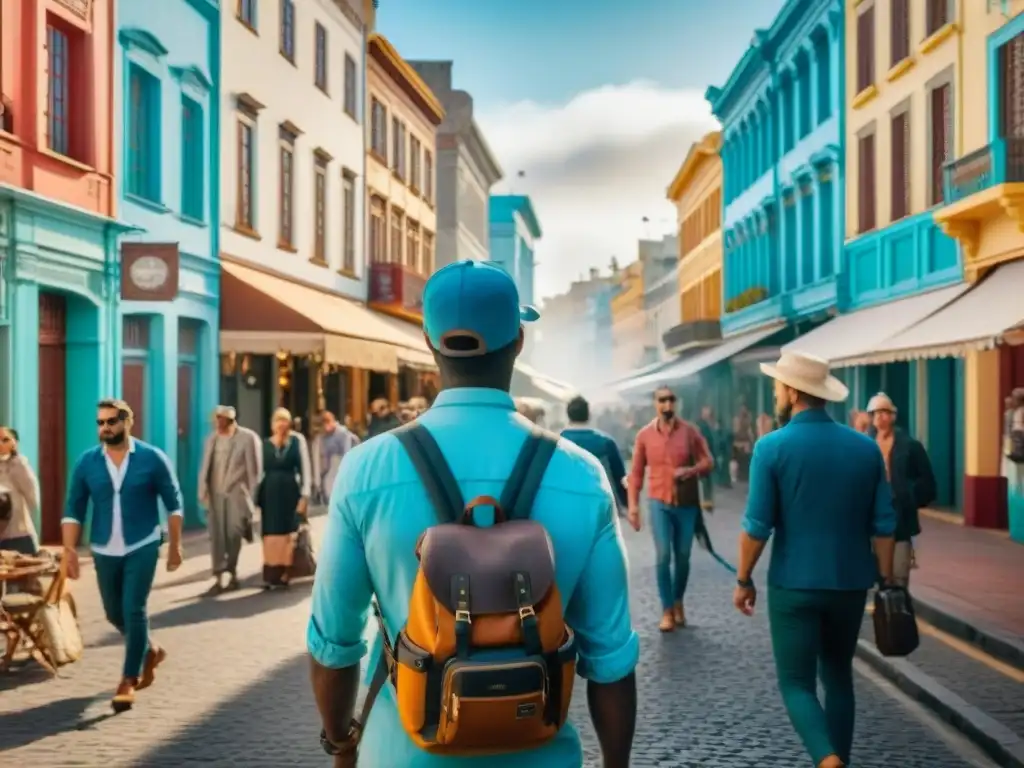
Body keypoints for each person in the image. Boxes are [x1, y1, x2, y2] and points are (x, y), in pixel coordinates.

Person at [308, 260, 639, 768]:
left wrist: (342, 742)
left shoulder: (365, 470)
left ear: (428, 341)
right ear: (519, 341)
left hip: (401, 755)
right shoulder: (582, 475)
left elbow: (335, 644)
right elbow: (611, 660)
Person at [733, 352, 896, 768]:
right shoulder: (865, 449)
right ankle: (838, 755)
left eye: (777, 385)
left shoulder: (771, 447)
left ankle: (826, 759)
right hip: (849, 582)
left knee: (796, 682)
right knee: (839, 675)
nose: (775, 391)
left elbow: (757, 526)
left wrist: (744, 578)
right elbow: (884, 525)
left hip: (794, 583)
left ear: (791, 391)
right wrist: (885, 579)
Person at [62, 399, 184, 712]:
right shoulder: (87, 462)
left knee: (133, 608)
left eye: (111, 422)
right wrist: (69, 551)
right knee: (113, 613)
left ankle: (128, 680)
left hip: (142, 544)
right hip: (104, 547)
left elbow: (174, 503)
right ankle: (149, 650)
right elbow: (73, 509)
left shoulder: (152, 458)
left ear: (127, 422)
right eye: (100, 422)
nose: (105, 428)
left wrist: (175, 545)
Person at [627, 387, 713, 632]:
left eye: (671, 399)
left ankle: (678, 602)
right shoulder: (644, 435)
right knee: (663, 555)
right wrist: (633, 506)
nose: (667, 404)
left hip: (686, 505)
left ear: (677, 403)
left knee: (683, 557)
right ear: (655, 404)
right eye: (662, 400)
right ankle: (666, 609)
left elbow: (708, 462)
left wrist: (690, 471)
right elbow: (635, 474)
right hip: (658, 503)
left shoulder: (690, 432)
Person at [866, 393, 936, 586]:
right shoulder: (865, 445)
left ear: (893, 416)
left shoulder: (910, 446)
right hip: (872, 519)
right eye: (876, 412)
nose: (881, 416)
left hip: (901, 520)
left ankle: (897, 612)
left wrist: (909, 497)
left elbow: (927, 482)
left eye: (885, 412)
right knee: (878, 576)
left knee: (898, 577)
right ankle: (882, 613)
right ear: (871, 417)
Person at [198, 405, 262, 595]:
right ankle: (218, 576)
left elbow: (255, 472)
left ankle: (232, 572)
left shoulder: (248, 438)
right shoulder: (212, 439)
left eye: (220, 420)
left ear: (230, 421)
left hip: (237, 494)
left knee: (234, 533)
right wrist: (202, 492)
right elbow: (205, 468)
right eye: (215, 420)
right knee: (216, 536)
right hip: (215, 494)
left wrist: (253, 500)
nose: (217, 424)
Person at [256, 407, 312, 589]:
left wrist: (305, 496)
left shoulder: (297, 441)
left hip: (290, 491)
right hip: (270, 493)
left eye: (284, 420)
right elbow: (258, 472)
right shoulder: (265, 444)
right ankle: (272, 571)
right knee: (271, 532)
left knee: (289, 531)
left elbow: (305, 468)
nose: (281, 424)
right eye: (277, 420)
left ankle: (287, 571)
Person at [560, 395, 628, 512]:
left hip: (568, 504)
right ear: (588, 415)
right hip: (601, 505)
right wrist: (626, 504)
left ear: (568, 415)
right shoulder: (606, 442)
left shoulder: (556, 442)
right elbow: (620, 477)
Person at [0, 427, 40, 555]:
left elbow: (33, 497)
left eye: (5, 440)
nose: (0, 444)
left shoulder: (19, 464)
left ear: (14, 443)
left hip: (18, 536)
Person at [312, 410, 359, 502]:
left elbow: (348, 455)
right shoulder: (320, 438)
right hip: (328, 476)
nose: (322, 431)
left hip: (341, 472)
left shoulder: (344, 435)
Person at [695, 406, 718, 511]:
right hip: (704, 453)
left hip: (709, 452)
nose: (707, 413)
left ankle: (708, 498)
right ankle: (706, 499)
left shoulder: (709, 424)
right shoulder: (701, 424)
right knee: (705, 477)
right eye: (706, 411)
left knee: (708, 477)